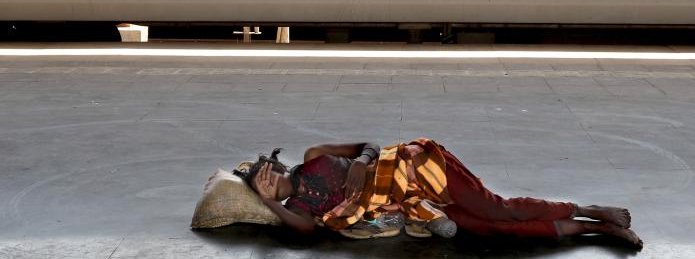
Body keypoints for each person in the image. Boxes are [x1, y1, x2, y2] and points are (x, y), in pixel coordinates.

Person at [239, 138, 643, 249]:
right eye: (261, 185)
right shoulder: (299, 208)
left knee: (495, 209)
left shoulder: (314, 156)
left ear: (275, 164)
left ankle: (590, 208)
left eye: (267, 173)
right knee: (493, 231)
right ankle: (596, 231)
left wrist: (361, 162)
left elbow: (369, 145)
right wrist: (270, 202)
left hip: (416, 168)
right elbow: (307, 230)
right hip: (415, 205)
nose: (269, 181)